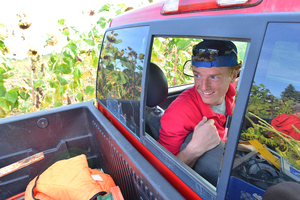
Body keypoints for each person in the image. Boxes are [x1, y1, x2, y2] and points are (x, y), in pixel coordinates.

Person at [158, 40, 241, 185]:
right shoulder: (178, 114)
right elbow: (161, 173)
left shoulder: (231, 94)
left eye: (213, 77)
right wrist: (193, 150)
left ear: (233, 76)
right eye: (197, 75)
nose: (203, 87)